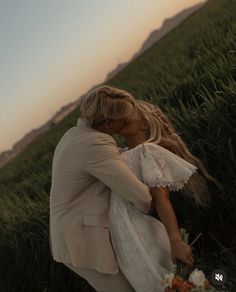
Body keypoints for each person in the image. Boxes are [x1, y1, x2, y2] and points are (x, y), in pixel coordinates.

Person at [49, 85, 153, 292]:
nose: (123, 126)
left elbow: (114, 159)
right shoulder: (94, 144)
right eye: (122, 121)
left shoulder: (73, 135)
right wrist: (147, 215)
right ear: (107, 123)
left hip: (70, 235)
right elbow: (139, 195)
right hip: (82, 240)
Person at [109, 99, 219, 292]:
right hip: (121, 234)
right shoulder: (121, 153)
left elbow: (162, 199)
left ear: (144, 123)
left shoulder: (147, 151)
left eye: (129, 112)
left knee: (157, 281)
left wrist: (175, 239)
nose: (123, 116)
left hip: (137, 231)